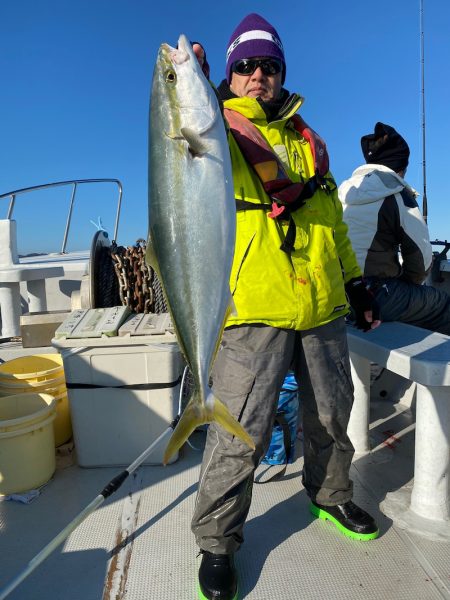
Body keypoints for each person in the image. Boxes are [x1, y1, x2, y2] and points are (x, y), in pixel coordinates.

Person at [190, 15, 380, 600]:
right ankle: (218, 544)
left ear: (281, 74)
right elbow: (187, 141)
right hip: (254, 306)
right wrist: (196, 81)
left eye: (268, 66)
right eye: (244, 66)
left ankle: (331, 496)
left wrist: (355, 282)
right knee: (239, 432)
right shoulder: (216, 128)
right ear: (231, 73)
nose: (257, 76)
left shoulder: (308, 139)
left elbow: (331, 223)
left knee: (330, 414)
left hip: (321, 304)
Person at [339, 122, 450, 335]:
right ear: (400, 168)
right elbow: (420, 261)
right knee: (442, 303)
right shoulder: (396, 192)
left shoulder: (343, 191)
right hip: (370, 295)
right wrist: (409, 284)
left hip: (336, 294)